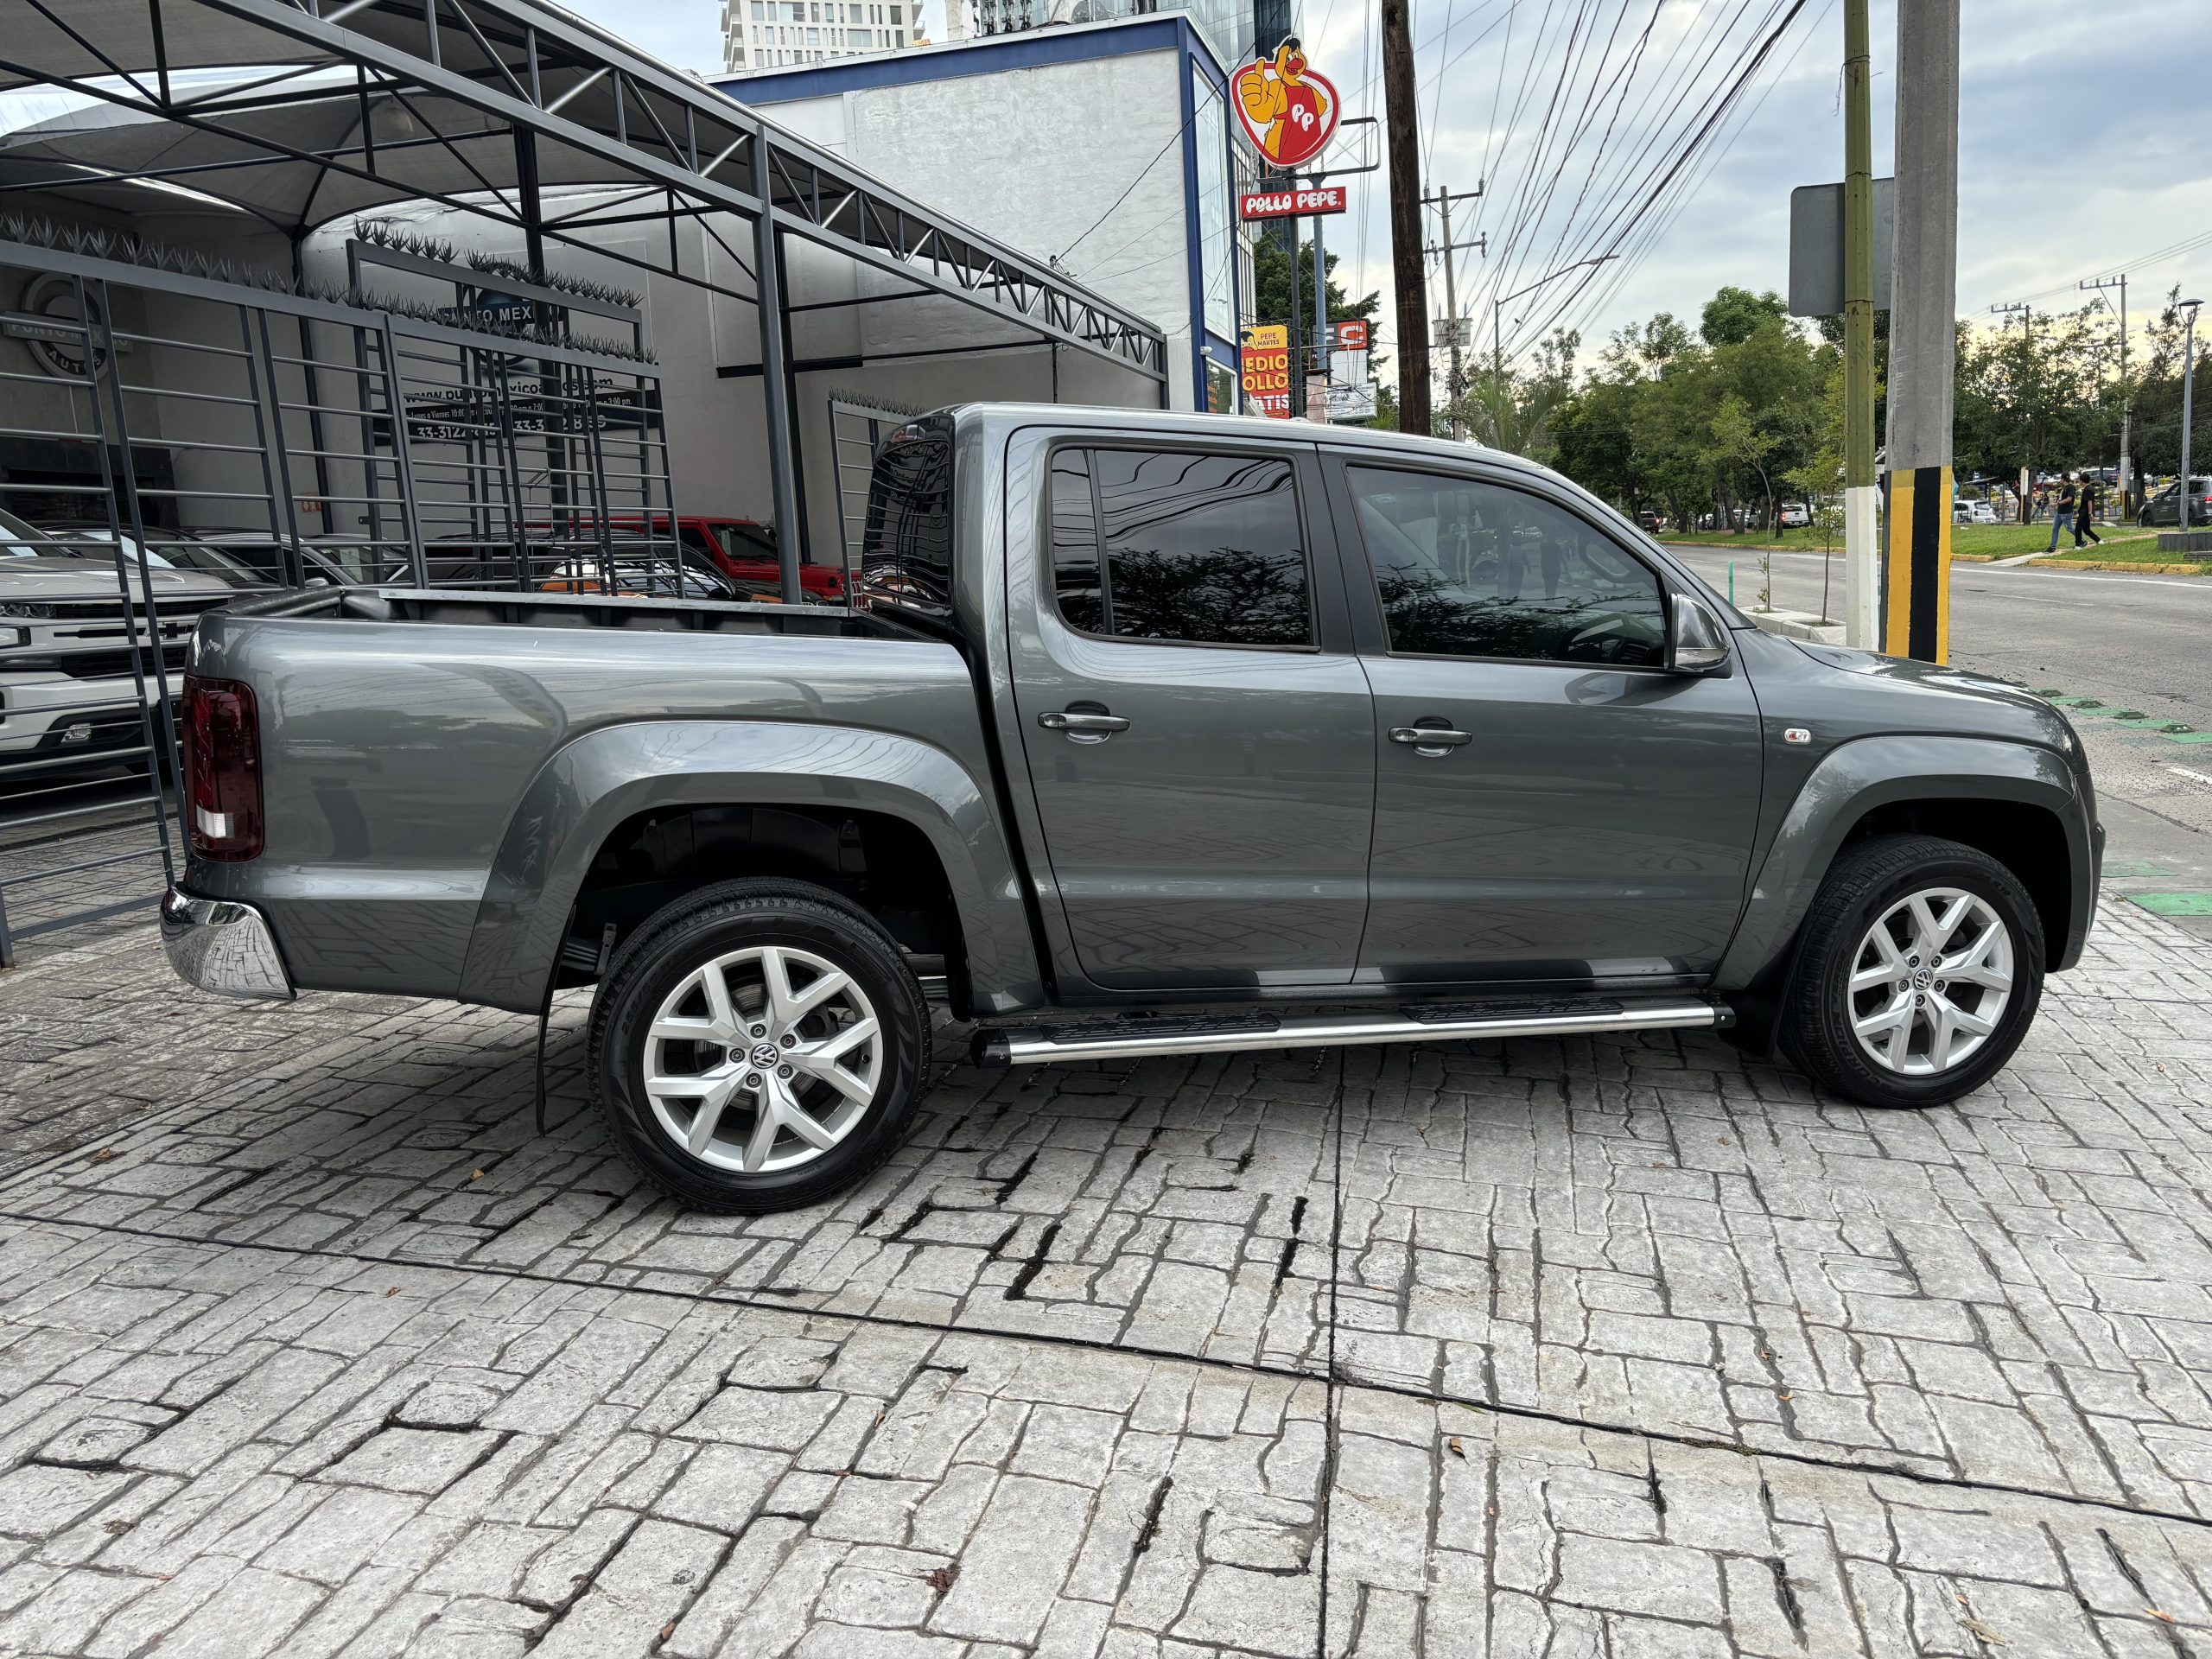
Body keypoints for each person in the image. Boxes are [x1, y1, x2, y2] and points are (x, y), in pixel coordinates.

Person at [2047, 477, 2077, 552]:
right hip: (2060, 512)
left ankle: (2081, 540)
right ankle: (2053, 546)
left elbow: (2069, 499)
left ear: (2063, 479)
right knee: (2055, 529)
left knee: (2069, 528)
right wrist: (2057, 503)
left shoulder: (2071, 487)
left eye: (2061, 479)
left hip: (2066, 512)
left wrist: (2057, 503)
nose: (2060, 480)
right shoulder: (2064, 487)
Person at [2074, 480, 2101, 547]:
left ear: (2082, 481)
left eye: (2080, 481)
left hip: (2084, 513)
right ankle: (2099, 541)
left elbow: (2090, 502)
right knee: (2086, 530)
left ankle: (2078, 545)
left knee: (2077, 529)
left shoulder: (2088, 490)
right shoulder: (2089, 488)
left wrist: (2090, 513)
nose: (2079, 482)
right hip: (2085, 512)